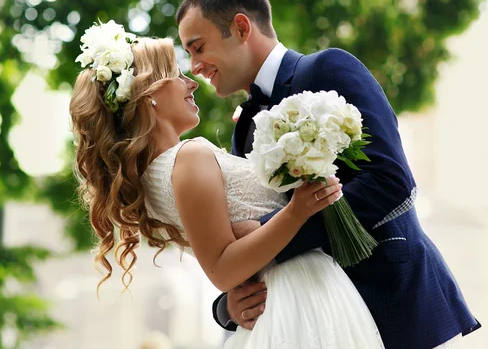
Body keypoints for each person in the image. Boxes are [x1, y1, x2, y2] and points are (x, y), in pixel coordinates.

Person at [175, 0, 481, 348]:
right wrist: (228, 307)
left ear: (240, 27)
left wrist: (270, 231)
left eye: (198, 47)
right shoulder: (244, 129)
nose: (194, 65)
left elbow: (390, 180)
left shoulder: (327, 69)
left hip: (388, 301)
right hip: (310, 320)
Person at [70, 29, 385, 347]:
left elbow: (224, 248)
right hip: (296, 296)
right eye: (177, 74)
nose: (192, 82)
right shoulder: (189, 157)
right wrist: (296, 210)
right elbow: (222, 268)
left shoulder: (151, 180)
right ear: (148, 94)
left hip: (282, 296)